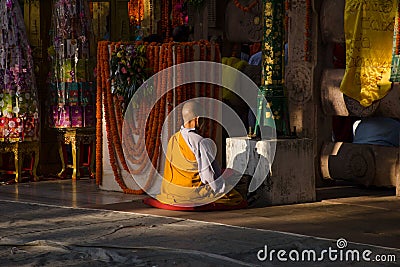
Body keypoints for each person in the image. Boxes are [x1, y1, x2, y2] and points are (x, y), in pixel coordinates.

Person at [156, 100, 246, 207]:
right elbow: (207, 176)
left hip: (170, 192)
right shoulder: (200, 142)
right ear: (198, 120)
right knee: (235, 197)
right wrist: (223, 189)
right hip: (191, 193)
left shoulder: (173, 138)